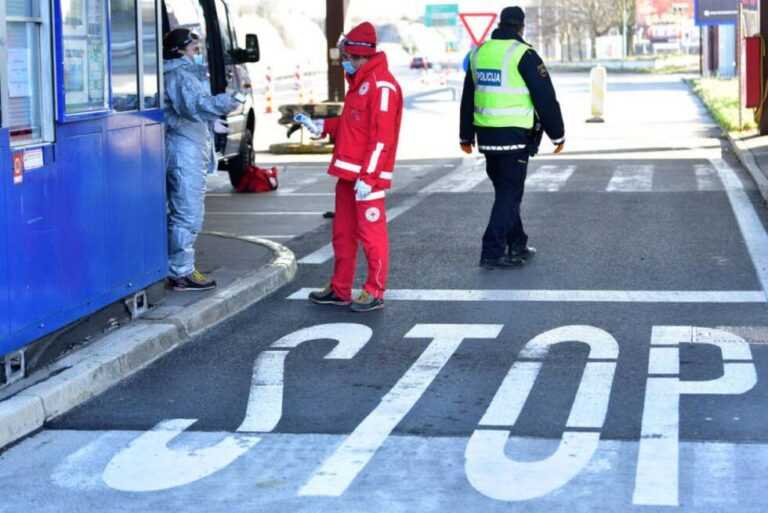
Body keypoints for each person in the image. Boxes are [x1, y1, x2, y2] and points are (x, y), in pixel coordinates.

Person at [295, 22, 403, 312]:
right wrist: (322, 127)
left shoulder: (381, 86)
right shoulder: (361, 83)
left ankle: (374, 290)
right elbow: (352, 125)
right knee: (342, 234)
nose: (344, 61)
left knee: (371, 235)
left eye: (347, 57)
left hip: (368, 178)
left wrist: (368, 177)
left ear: (360, 55)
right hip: (349, 175)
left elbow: (382, 138)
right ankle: (340, 288)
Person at [459, 6, 565, 269]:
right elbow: (545, 99)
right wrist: (557, 134)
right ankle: (491, 252)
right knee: (509, 195)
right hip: (515, 137)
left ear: (500, 24)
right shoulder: (524, 54)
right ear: (521, 27)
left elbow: (468, 97)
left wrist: (465, 135)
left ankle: (517, 243)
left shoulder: (478, 53)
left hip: (486, 136)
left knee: (506, 193)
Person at [162, 28, 242, 291]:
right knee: (188, 213)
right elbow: (196, 106)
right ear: (180, 50)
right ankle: (181, 272)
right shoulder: (180, 75)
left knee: (182, 211)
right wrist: (229, 101)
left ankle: (178, 267)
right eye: (194, 49)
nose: (198, 54)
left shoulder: (176, 74)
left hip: (184, 147)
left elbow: (187, 110)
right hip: (184, 152)